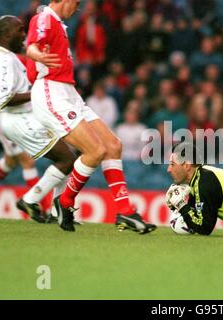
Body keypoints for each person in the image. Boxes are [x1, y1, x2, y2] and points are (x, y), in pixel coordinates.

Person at [26, 0, 155, 233]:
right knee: (95, 151)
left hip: (68, 91)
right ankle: (65, 202)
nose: (78, 8)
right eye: (76, 2)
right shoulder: (45, 17)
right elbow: (32, 46)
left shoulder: (60, 25)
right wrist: (39, 57)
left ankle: (124, 211)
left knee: (113, 146)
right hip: (50, 91)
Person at [0, 15, 77, 223]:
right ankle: (30, 199)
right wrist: (36, 92)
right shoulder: (4, 61)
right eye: (20, 30)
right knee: (67, 159)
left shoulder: (1, 58)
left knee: (68, 157)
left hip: (25, 117)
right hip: (20, 120)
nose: (24, 34)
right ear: (7, 34)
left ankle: (56, 212)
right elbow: (2, 100)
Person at [0, 31, 53, 219]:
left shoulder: (14, 60)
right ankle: (43, 209)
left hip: (21, 116)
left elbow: (32, 71)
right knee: (27, 160)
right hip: (1, 118)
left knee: (10, 160)